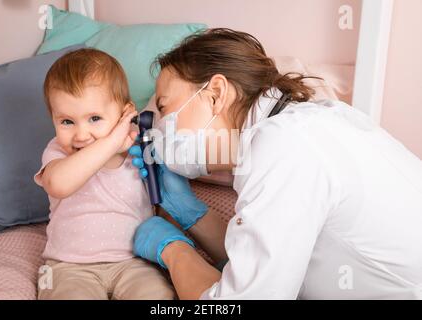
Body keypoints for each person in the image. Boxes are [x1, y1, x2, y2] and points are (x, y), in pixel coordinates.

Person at [129, 28, 422, 299]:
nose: (160, 130)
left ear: (216, 93)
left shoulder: (283, 145)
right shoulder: (310, 123)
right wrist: (191, 215)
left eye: (164, 108)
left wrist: (174, 250)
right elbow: (259, 263)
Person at [34, 48, 175, 300]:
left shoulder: (140, 149)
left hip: (135, 263)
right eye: (67, 121)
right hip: (69, 267)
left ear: (124, 113)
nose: (81, 134)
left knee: (158, 296)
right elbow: (58, 184)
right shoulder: (57, 153)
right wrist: (110, 143)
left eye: (94, 118)